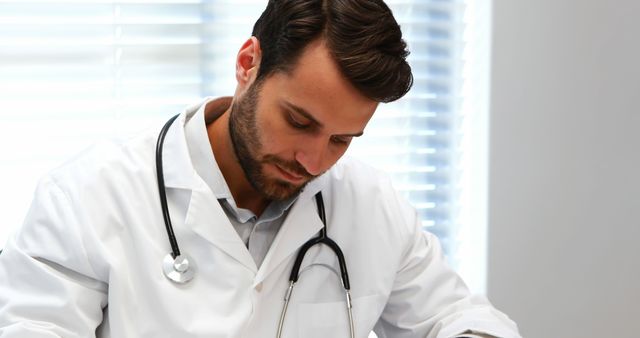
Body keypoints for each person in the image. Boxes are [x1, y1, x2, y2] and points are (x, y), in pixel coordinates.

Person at [0, 0, 521, 337]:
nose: (313, 161)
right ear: (249, 63)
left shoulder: (371, 207)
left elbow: (456, 317)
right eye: (298, 121)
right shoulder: (90, 197)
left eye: (342, 139)